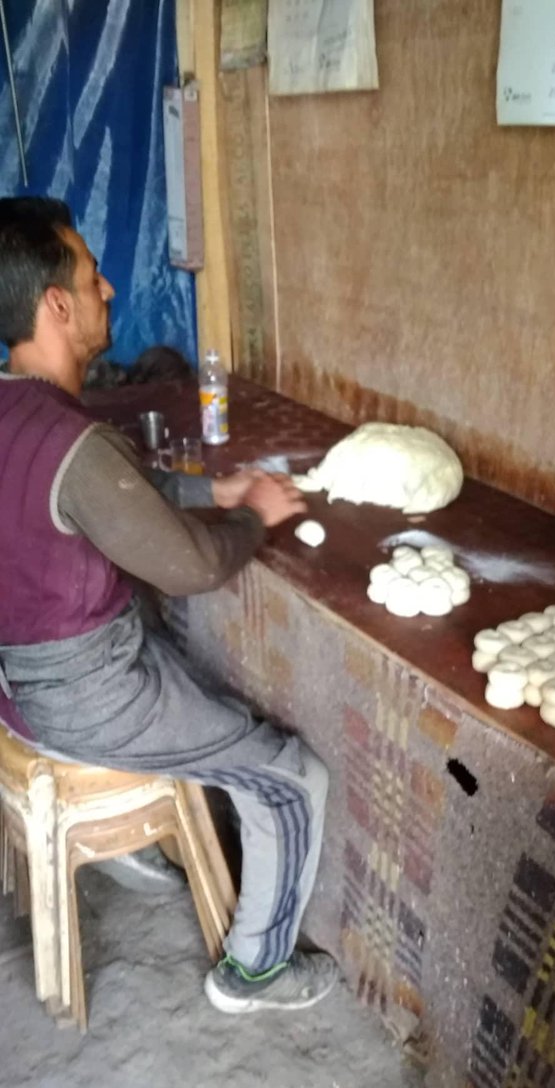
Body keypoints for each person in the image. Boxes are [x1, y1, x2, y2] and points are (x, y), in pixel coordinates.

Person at [0, 196, 337, 1014]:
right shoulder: (69, 440)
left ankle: (129, 837)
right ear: (56, 305)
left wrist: (210, 486)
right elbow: (187, 565)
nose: (110, 288)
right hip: (85, 700)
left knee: (185, 669)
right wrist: (254, 514)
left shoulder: (15, 409)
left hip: (15, 688)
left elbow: (110, 495)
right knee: (292, 776)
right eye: (92, 275)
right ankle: (254, 971)